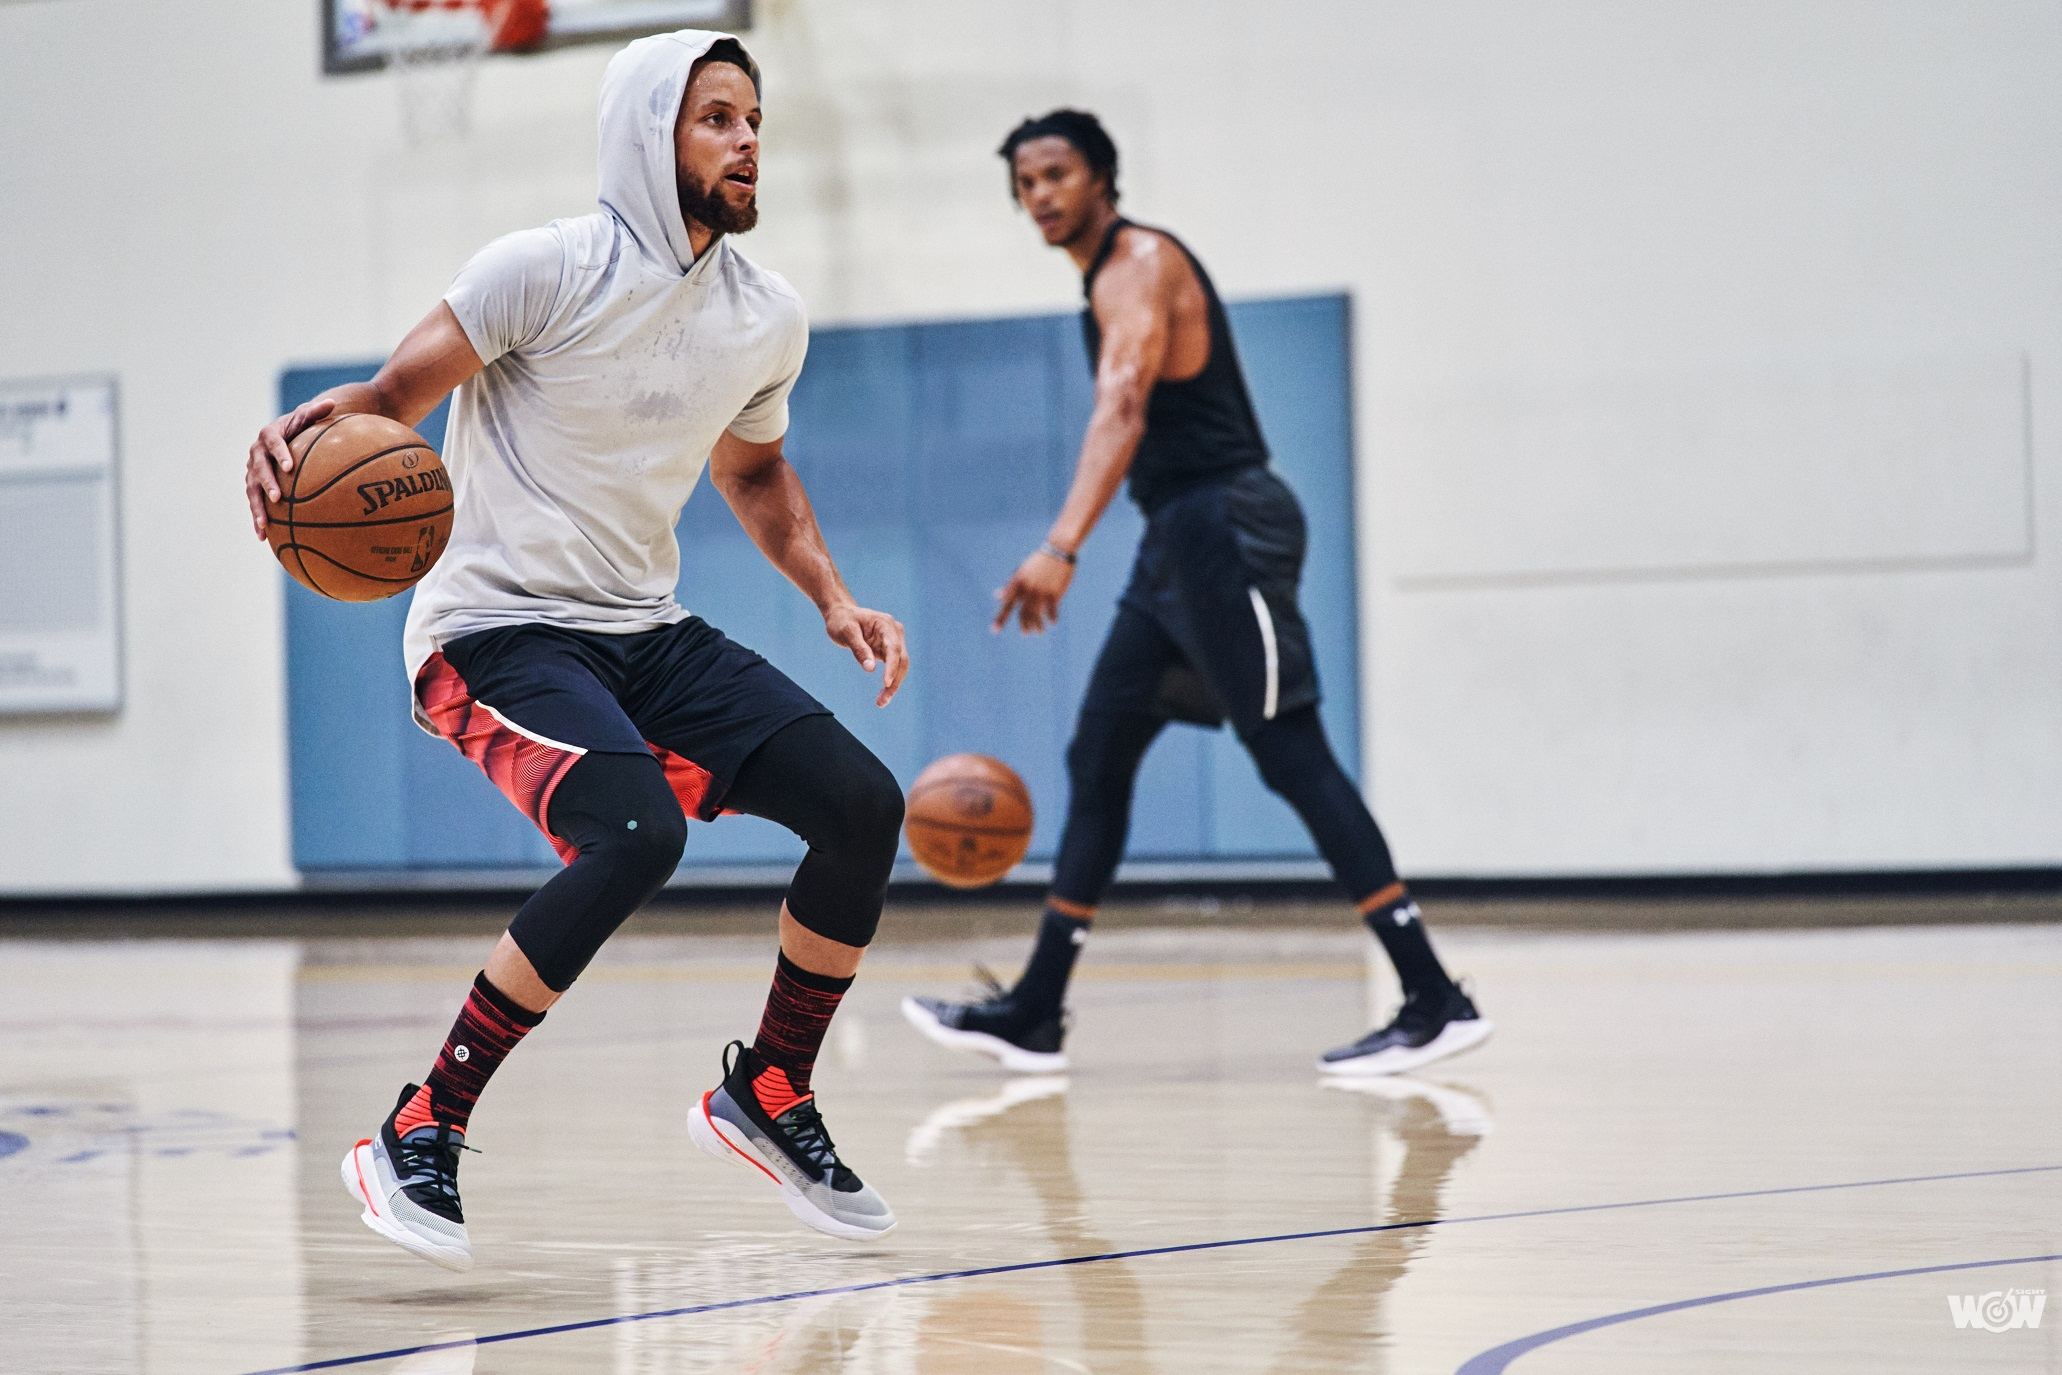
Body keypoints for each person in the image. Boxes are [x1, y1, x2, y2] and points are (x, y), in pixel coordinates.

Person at [244, 31, 908, 1269]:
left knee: (863, 805)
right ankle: (419, 1121)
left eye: (755, 118)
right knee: (637, 832)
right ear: (649, 135)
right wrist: (291, 443)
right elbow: (388, 397)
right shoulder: (540, 270)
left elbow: (753, 470)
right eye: (717, 117)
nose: (748, 138)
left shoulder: (766, 316)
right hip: (494, 626)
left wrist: (830, 593)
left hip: (642, 630)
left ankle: (769, 1089)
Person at [902, 110, 1489, 1079]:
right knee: (1100, 749)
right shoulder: (1099, 279)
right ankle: (1035, 1010)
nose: (1040, 195)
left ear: (1103, 178)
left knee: (1290, 754)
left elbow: (1123, 403)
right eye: (1024, 185)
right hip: (1177, 541)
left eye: (1055, 174)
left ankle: (1432, 998)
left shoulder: (1137, 262)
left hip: (1226, 527)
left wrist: (1060, 544)